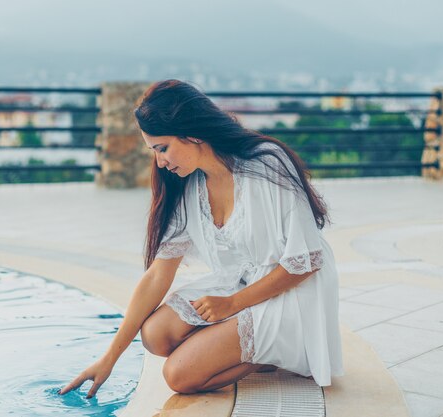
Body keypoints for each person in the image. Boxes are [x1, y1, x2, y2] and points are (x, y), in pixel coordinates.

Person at [59, 79, 344, 398]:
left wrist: (231, 305)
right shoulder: (190, 184)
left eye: (162, 148)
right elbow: (158, 274)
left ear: (192, 133)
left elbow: (305, 263)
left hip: (294, 291)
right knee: (155, 334)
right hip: (245, 281)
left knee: (179, 375)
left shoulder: (266, 163)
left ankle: (282, 350)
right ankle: (245, 347)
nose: (160, 162)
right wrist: (109, 358)